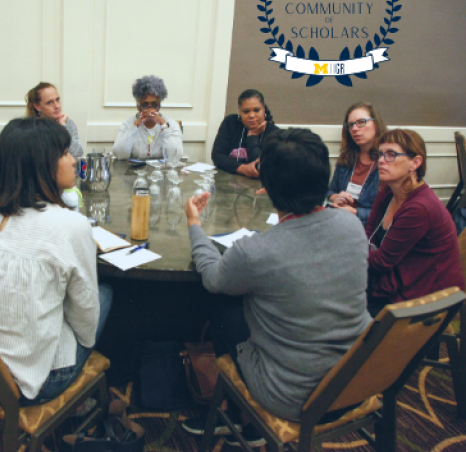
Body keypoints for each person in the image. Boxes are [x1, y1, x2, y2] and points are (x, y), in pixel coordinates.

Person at [183, 128, 371, 444]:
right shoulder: (352, 225)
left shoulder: (256, 250)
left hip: (293, 398)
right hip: (357, 380)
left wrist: (194, 225)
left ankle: (245, 419)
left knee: (224, 307)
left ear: (265, 186)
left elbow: (213, 278)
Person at [0, 117, 112, 405]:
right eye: (65, 153)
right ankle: (93, 396)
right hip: (31, 382)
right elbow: (85, 323)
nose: (74, 159)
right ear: (40, 165)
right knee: (106, 294)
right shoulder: (69, 225)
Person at [365, 128, 464, 316]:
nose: (381, 160)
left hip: (426, 296)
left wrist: (346, 252)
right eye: (380, 154)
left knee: (342, 308)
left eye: (391, 154)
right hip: (401, 277)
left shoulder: (419, 207)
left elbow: (383, 262)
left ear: (415, 162)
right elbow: (369, 232)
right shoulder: (388, 190)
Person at [328, 102, 386, 225]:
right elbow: (331, 191)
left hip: (371, 230)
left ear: (376, 124)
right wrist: (336, 197)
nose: (354, 129)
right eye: (350, 125)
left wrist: (355, 212)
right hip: (342, 221)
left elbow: (390, 213)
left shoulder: (387, 161)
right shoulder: (347, 157)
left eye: (361, 122)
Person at [211, 89, 279, 178]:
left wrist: (252, 136)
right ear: (240, 112)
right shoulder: (230, 123)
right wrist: (242, 168)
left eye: (256, 110)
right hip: (227, 181)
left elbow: (262, 167)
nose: (251, 115)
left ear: (264, 109)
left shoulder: (274, 133)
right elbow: (217, 156)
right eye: (246, 111)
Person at [112, 75, 183, 160]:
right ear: (138, 106)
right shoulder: (128, 123)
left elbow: (175, 156)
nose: (150, 109)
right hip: (136, 171)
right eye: (145, 105)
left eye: (154, 105)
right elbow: (120, 154)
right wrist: (134, 126)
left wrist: (163, 126)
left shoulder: (171, 123)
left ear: (159, 106)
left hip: (161, 171)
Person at [25, 82, 83, 157]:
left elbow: (77, 153)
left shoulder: (67, 123)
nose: (57, 106)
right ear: (37, 106)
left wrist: (63, 127)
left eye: (57, 99)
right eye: (49, 102)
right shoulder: (30, 129)